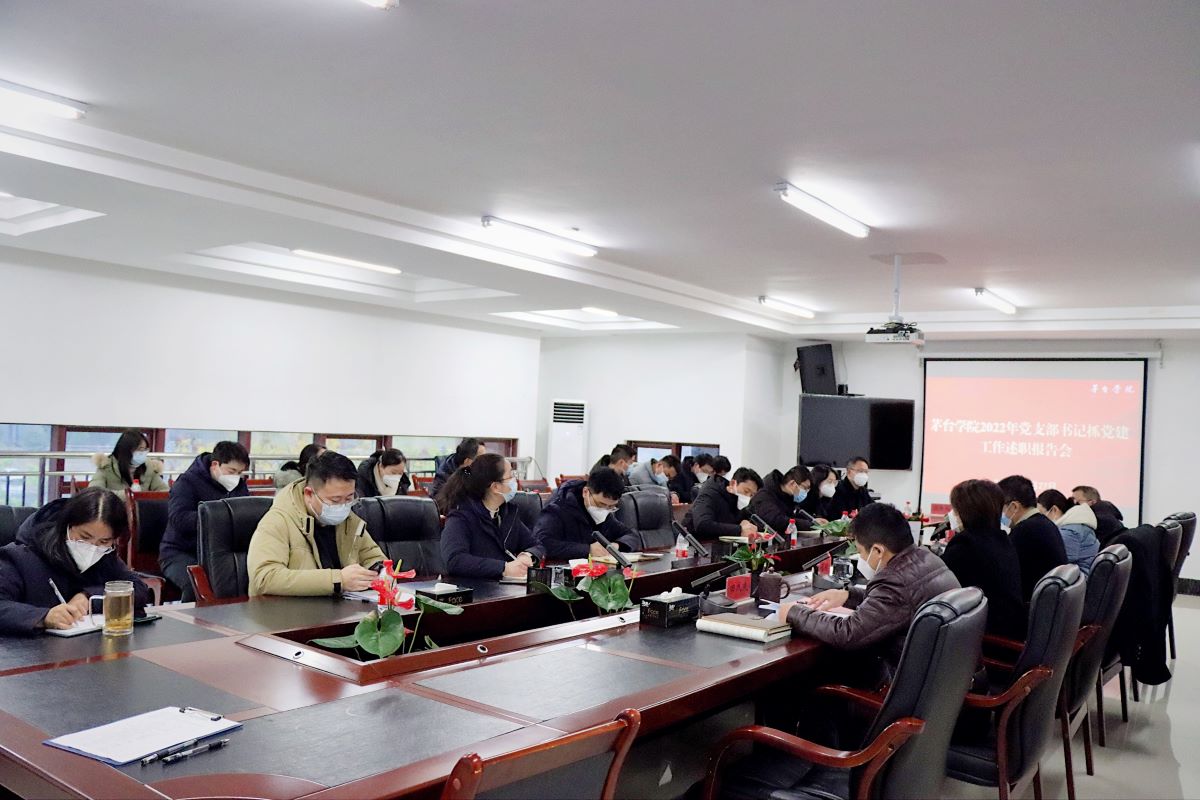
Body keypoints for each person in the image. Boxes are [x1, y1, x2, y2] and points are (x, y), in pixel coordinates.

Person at [779, 502, 960, 687]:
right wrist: (848, 596)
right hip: (941, 679)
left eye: (860, 552)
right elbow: (896, 604)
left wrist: (794, 612)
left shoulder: (895, 582)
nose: (861, 559)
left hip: (903, 685)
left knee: (810, 676)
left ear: (878, 551)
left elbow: (848, 633)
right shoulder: (926, 557)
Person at [0, 487, 151, 634]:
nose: (92, 548)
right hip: (32, 648)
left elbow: (138, 589)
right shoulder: (22, 556)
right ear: (66, 526)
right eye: (84, 537)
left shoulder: (104, 556)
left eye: (104, 541)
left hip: (91, 646)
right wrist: (44, 617)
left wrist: (88, 597)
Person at [247, 451, 386, 596]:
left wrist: (381, 571)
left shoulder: (349, 520)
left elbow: (371, 556)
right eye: (335, 500)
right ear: (309, 494)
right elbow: (264, 578)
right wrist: (338, 580)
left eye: (349, 498)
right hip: (289, 608)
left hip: (339, 607)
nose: (343, 506)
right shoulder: (278, 520)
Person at [158, 441, 251, 601]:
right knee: (196, 584)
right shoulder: (186, 482)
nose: (236, 477)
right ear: (215, 465)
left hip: (221, 554)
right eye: (231, 471)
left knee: (249, 578)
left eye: (240, 473)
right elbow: (179, 519)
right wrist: (217, 519)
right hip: (180, 553)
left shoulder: (239, 487)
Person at [438, 453, 545, 580]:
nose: (515, 480)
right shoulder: (461, 516)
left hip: (504, 587)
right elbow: (455, 560)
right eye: (511, 476)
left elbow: (537, 545)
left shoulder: (507, 513)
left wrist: (527, 555)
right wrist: (503, 568)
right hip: (475, 588)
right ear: (495, 487)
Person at [940, 479, 1025, 638]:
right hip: (1010, 629)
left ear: (964, 512)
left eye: (956, 510)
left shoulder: (965, 545)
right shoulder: (1002, 540)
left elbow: (938, 585)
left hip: (986, 638)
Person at [535, 468, 641, 560]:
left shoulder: (606, 514)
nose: (604, 510)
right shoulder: (557, 508)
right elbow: (541, 543)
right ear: (585, 492)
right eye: (601, 504)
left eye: (611, 507)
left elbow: (631, 535)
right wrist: (587, 550)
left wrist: (617, 546)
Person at [998, 475, 1067, 602]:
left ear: (1014, 507)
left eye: (1000, 507)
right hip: (1049, 602)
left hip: (1032, 604)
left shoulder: (1024, 531)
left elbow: (1005, 575)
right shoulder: (1044, 523)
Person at [1038, 489, 1100, 577]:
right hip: (1079, 577)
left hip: (1077, 580)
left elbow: (1059, 563)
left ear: (1054, 510)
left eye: (1041, 514)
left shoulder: (1070, 531)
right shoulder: (1076, 524)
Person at [688, 467, 761, 539]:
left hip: (722, 543)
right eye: (746, 491)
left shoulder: (739, 501)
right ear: (732, 483)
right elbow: (702, 525)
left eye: (751, 495)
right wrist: (739, 529)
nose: (748, 497)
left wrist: (747, 523)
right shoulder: (710, 493)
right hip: (695, 542)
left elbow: (747, 519)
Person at [88, 429, 167, 494]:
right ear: (126, 450)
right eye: (140, 449)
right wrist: (128, 495)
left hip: (142, 508)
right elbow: (94, 492)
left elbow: (164, 491)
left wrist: (146, 498)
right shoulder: (106, 466)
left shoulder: (149, 467)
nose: (143, 453)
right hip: (114, 507)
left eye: (145, 449)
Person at [748, 465, 814, 535]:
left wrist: (813, 521)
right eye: (804, 488)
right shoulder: (764, 496)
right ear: (792, 483)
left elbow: (792, 517)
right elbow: (777, 520)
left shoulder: (788, 498)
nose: (805, 492)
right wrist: (809, 524)